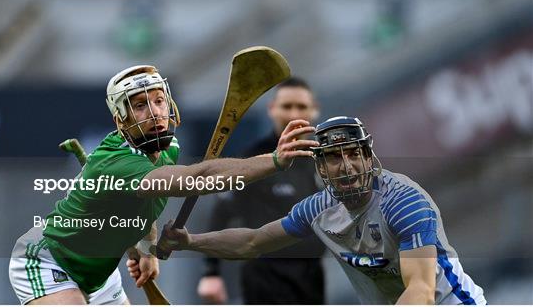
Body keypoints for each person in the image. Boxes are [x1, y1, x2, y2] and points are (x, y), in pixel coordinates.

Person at [8, 65, 317, 304]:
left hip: (99, 275)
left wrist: (145, 248)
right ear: (121, 119)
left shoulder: (167, 149)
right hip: (48, 263)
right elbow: (196, 179)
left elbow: (143, 207)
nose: (155, 111)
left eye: (158, 101)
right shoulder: (116, 163)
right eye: (140, 105)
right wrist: (273, 161)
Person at [160, 116, 487, 304]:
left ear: (368, 157)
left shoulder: (404, 201)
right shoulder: (317, 210)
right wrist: (190, 242)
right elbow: (252, 242)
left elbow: (422, 290)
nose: (346, 166)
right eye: (333, 157)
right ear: (321, 169)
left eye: (353, 153)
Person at [198, 77, 326, 304]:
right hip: (266, 278)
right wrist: (211, 273)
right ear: (272, 109)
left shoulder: (324, 160)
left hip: (312, 275)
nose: (294, 114)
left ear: (314, 110)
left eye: (301, 106)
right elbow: (220, 213)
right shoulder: (253, 161)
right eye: (287, 106)